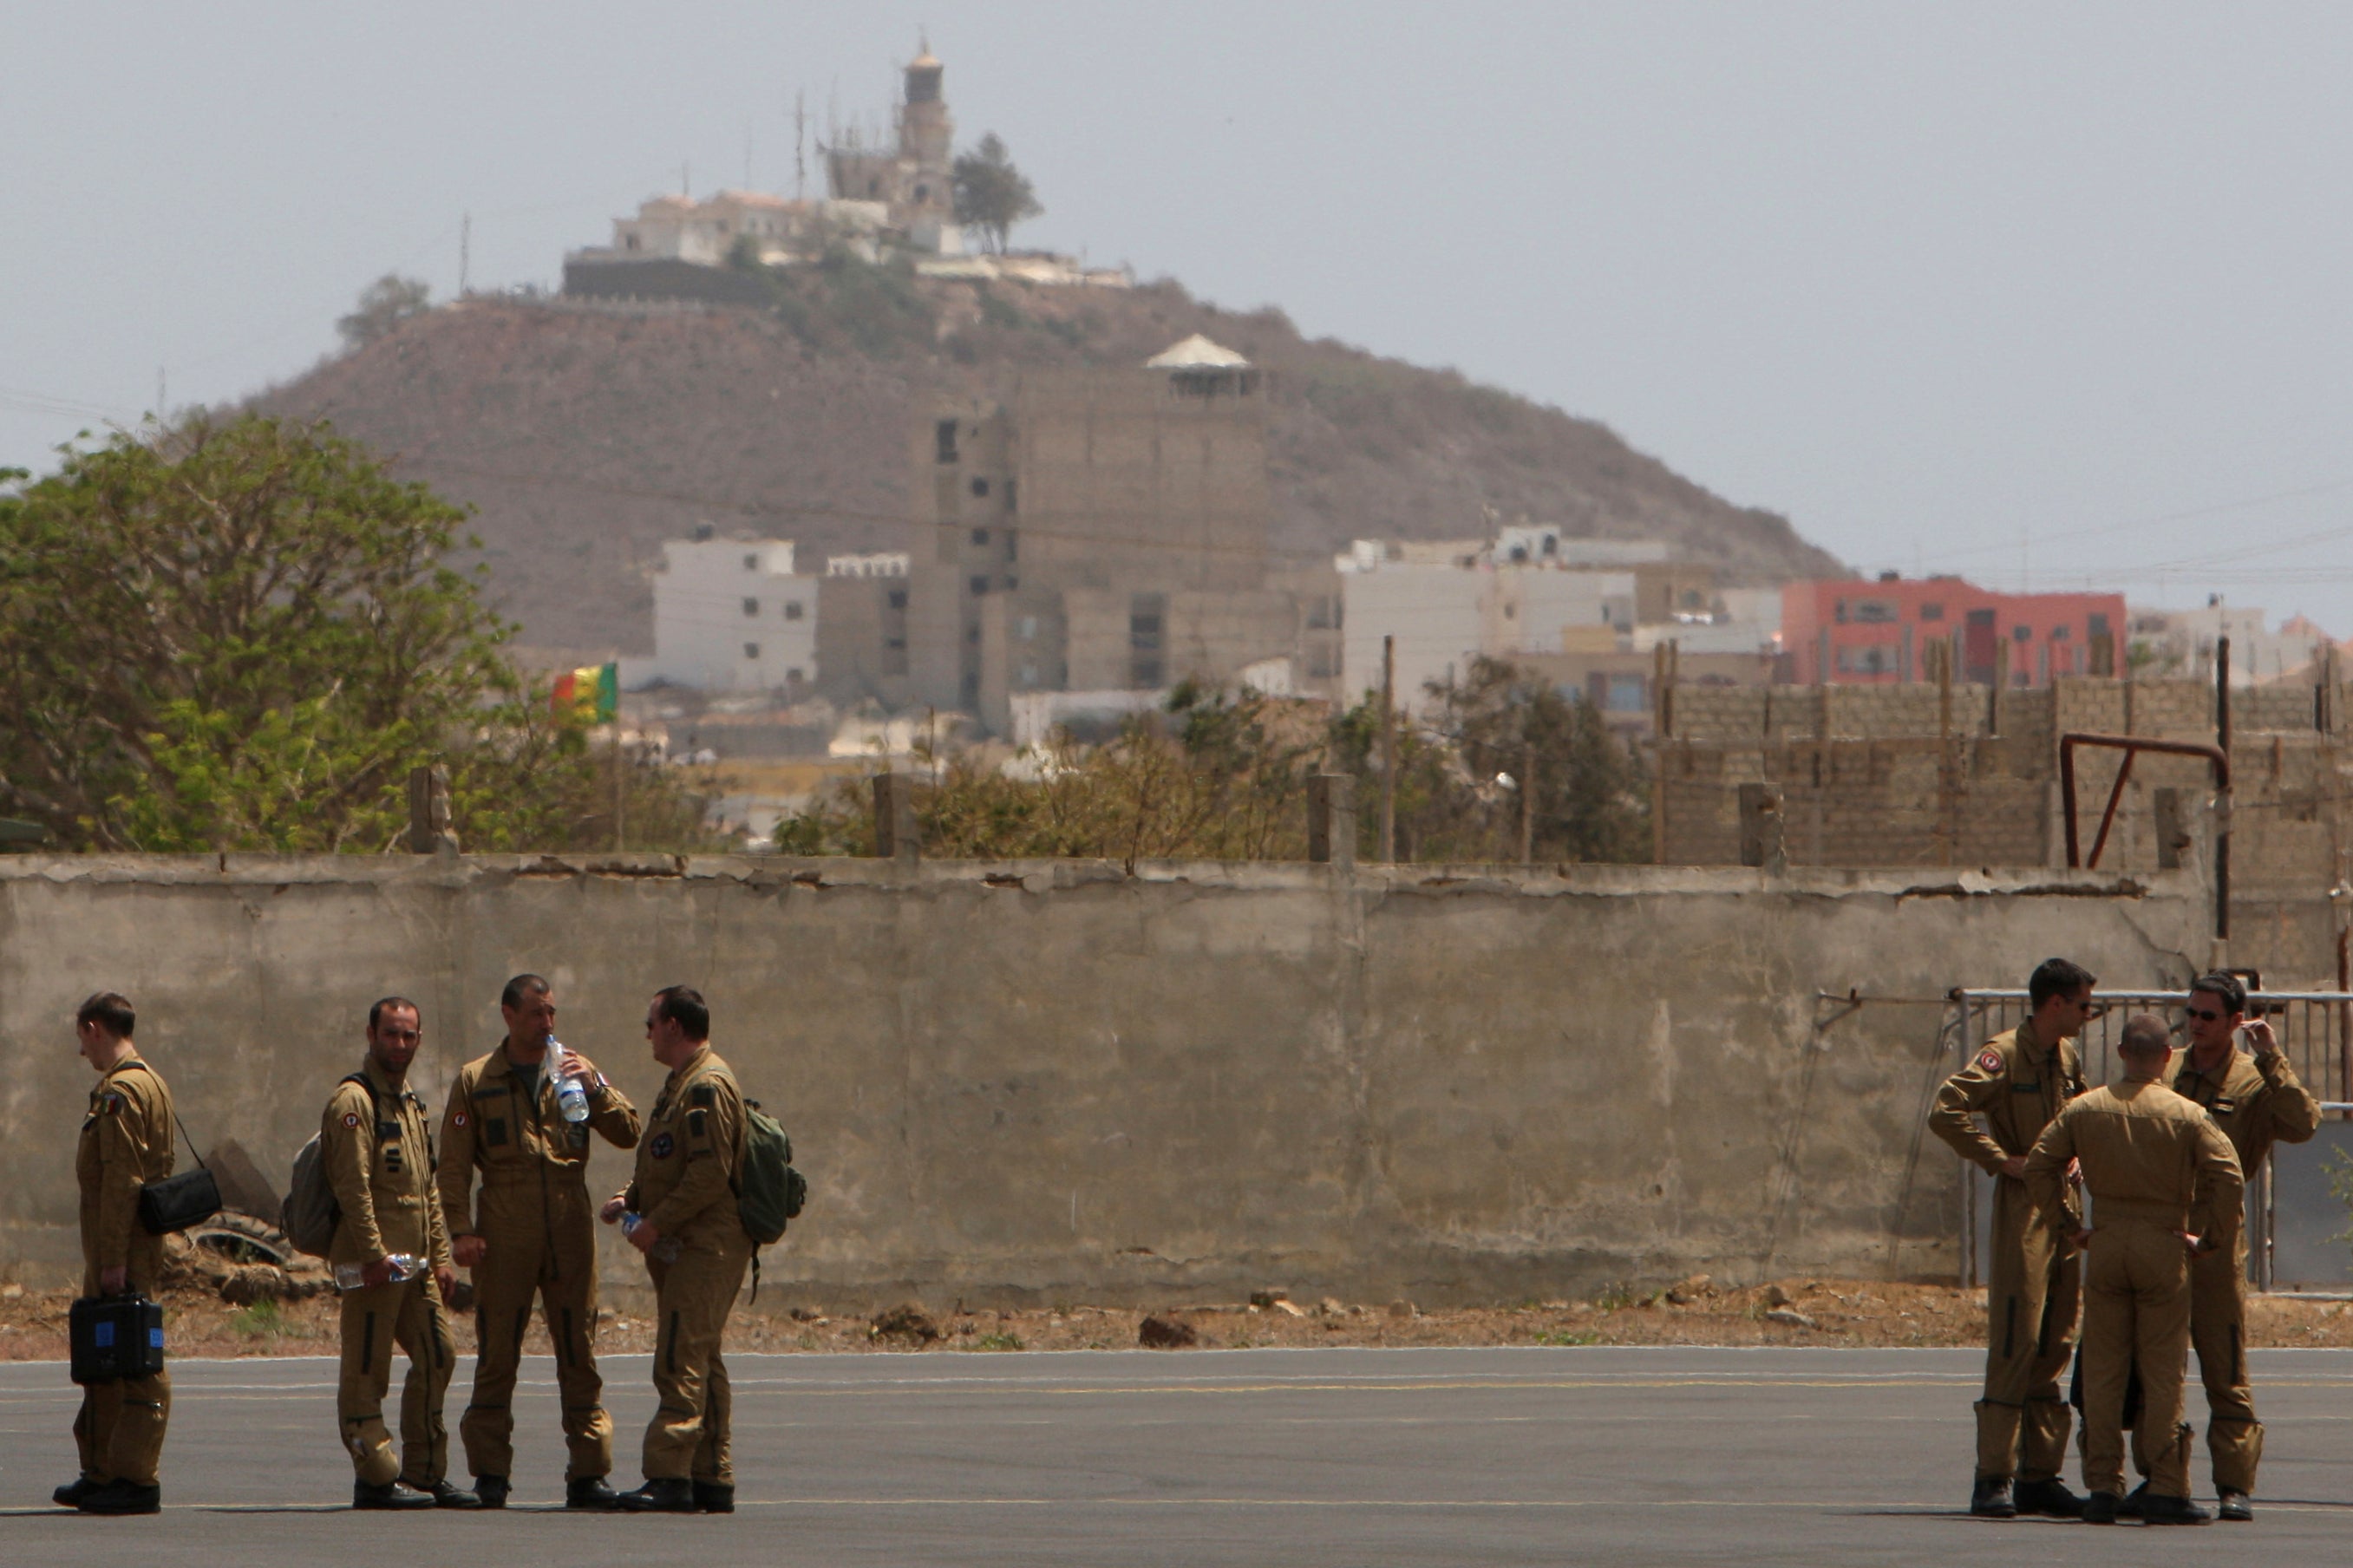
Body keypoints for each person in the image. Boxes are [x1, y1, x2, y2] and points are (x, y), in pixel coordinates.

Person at [2023, 1012, 2242, 1526]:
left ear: (2121, 1053)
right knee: (2163, 1370)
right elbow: (2229, 1174)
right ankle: (2166, 1483)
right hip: (2164, 1241)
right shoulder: (2186, 1114)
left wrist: (2069, 1224)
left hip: (2108, 1239)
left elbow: (2038, 1164)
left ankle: (2102, 1486)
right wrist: (2210, 1238)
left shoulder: (2085, 1107)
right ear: (2168, 1057)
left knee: (2103, 1369)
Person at [2116, 972, 2319, 1521]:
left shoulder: (2255, 1080)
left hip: (2214, 1237)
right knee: (2153, 1366)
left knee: (2224, 1363)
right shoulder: (2167, 1064)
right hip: (2159, 1227)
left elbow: (2303, 1125)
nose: (2196, 1026)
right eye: (2191, 1014)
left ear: (2235, 1022)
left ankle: (2234, 1482)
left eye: (2208, 1017)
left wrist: (2274, 1058)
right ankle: (2161, 1476)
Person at [439, 974, 640, 1510]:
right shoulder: (477, 1079)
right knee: (497, 1350)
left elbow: (628, 1132)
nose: (547, 1023)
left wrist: (594, 1086)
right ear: (508, 1015)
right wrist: (459, 1231)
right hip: (505, 1224)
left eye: (551, 1013)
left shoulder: (573, 1069)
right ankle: (490, 1475)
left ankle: (588, 1473)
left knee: (579, 1349)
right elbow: (454, 1165)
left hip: (569, 1222)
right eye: (536, 1013)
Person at [1927, 956, 2097, 1518]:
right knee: (2014, 1337)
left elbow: (2079, 1109)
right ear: (2055, 1004)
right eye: (2081, 1004)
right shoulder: (2002, 1055)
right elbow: (1945, 1110)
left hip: (2065, 1208)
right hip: (2024, 1207)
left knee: (2054, 1342)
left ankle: (2038, 1475)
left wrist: (2076, 1154)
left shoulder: (2065, 1055)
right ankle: (1993, 1475)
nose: (2087, 1014)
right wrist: (2001, 1160)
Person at [599, 985, 748, 1513]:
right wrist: (631, 1199)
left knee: (679, 1353)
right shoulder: (681, 1084)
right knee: (701, 1354)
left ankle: (669, 1476)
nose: (647, 1034)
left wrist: (656, 1224)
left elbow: (710, 1173)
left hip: (705, 1245)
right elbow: (666, 1158)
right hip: (684, 1242)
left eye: (652, 1024)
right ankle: (711, 1475)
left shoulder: (706, 1085)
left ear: (675, 1028)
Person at [324, 997, 474, 1509]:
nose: (401, 1045)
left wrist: (440, 1256)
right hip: (375, 1268)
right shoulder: (354, 1102)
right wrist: (370, 1255)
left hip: (415, 1265)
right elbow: (353, 1188)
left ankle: (425, 1472)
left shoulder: (409, 1101)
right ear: (371, 1035)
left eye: (409, 1036)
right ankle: (375, 1476)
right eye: (391, 1034)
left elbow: (426, 1186)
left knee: (439, 1355)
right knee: (368, 1370)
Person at [56, 992, 174, 1515]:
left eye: (83, 1038)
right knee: (103, 1357)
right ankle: (102, 1470)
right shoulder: (146, 1082)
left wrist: (111, 1260)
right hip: (119, 1245)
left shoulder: (122, 1091)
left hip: (124, 1248)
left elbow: (123, 1181)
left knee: (135, 1361)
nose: (83, 1051)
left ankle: (136, 1476)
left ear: (94, 1028)